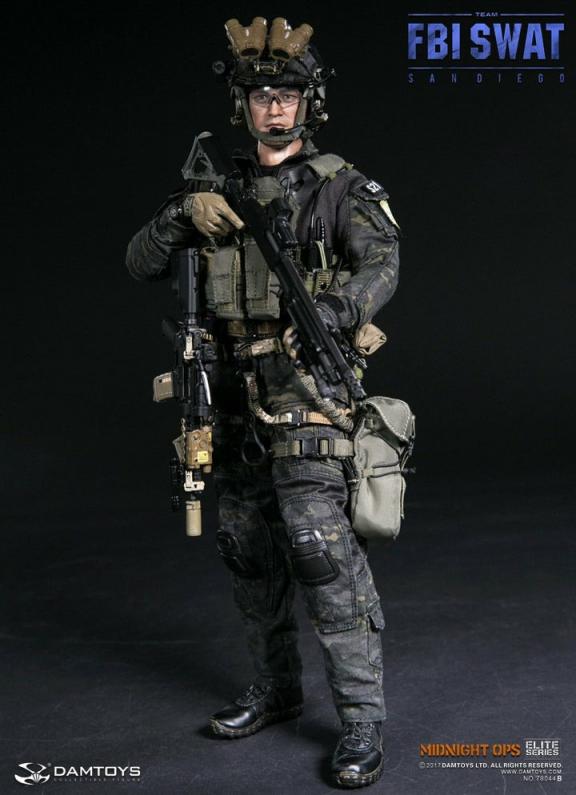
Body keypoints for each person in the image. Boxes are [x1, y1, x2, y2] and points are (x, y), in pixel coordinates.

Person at [126, 16, 400, 789]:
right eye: (259, 96)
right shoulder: (214, 191)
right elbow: (140, 260)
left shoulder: (341, 188)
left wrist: (336, 312)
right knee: (247, 545)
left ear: (309, 104)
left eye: (286, 95)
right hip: (230, 394)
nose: (273, 107)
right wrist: (179, 216)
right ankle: (277, 689)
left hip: (305, 387)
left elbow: (382, 264)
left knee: (319, 545)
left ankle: (362, 719)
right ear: (241, 105)